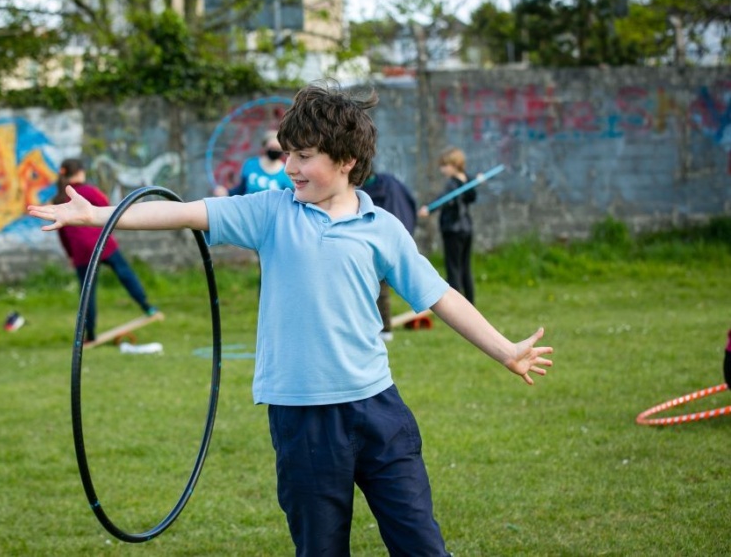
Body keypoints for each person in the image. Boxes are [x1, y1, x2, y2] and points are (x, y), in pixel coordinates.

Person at [29, 82, 553, 556]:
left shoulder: (382, 228)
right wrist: (97, 215)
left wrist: (505, 349)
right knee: (320, 548)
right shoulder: (272, 212)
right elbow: (186, 211)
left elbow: (441, 296)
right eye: (288, 155)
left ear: (346, 159)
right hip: (302, 418)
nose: (291, 167)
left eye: (304, 156)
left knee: (420, 540)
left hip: (378, 409)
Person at [50, 158, 158, 343]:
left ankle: (90, 334)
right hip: (102, 243)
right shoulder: (88, 191)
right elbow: (107, 206)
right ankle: (147, 307)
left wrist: (70, 255)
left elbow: (61, 234)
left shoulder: (58, 200)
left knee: (87, 293)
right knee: (124, 273)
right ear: (80, 172)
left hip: (80, 251)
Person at [361, 171, 417, 342]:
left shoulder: (385, 189)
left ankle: (384, 329)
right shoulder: (384, 186)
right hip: (373, 245)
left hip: (382, 246)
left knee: (381, 289)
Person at [419, 147, 477, 304]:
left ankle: (458, 306)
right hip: (467, 229)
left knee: (453, 269)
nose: (442, 169)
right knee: (465, 268)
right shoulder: (467, 180)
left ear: (454, 164)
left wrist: (429, 209)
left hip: (453, 230)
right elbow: (472, 197)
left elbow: (443, 199)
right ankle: (471, 304)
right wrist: (476, 180)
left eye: (444, 165)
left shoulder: (452, 184)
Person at [213, 130, 293, 196]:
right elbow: (241, 189)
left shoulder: (287, 171)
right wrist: (227, 192)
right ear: (265, 147)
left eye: (278, 148)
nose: (275, 150)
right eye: (272, 147)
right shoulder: (250, 164)